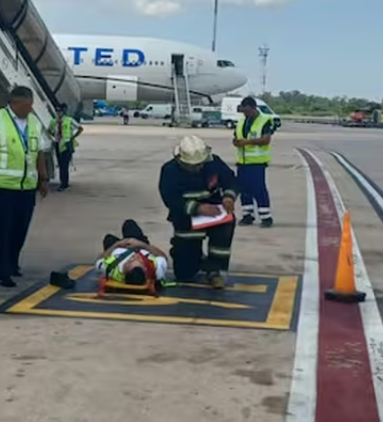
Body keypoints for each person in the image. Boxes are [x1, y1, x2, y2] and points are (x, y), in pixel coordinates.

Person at [0, 86, 51, 288]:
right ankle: (1, 271)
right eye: (27, 105)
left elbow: (39, 152)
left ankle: (12, 262)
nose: (30, 109)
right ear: (15, 103)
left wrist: (43, 179)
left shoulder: (34, 122)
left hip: (26, 188)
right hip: (1, 187)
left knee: (19, 229)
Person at [158, 134, 238, 289]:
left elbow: (231, 180)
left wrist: (229, 197)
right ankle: (191, 256)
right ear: (180, 160)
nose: (198, 168)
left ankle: (216, 270)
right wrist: (198, 208)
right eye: (193, 165)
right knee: (185, 274)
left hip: (214, 215)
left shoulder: (214, 163)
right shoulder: (169, 170)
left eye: (200, 164)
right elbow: (171, 200)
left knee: (226, 225)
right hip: (186, 219)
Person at [232, 95, 276, 227]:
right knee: (244, 190)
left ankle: (266, 217)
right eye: (243, 112)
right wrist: (236, 142)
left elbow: (266, 140)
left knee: (258, 189)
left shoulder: (265, 120)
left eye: (247, 111)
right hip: (242, 162)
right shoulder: (241, 121)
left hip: (257, 163)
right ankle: (247, 215)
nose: (246, 114)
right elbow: (236, 137)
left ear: (254, 108)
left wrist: (247, 142)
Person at [97, 219, 169, 287]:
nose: (135, 257)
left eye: (131, 261)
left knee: (109, 239)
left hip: (118, 249)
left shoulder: (110, 270)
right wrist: (142, 245)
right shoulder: (156, 271)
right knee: (130, 225)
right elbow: (163, 256)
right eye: (140, 261)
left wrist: (117, 244)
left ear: (125, 270)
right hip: (140, 246)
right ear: (145, 270)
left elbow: (100, 258)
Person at [52, 104, 83, 191]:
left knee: (64, 165)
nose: (58, 113)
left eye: (60, 111)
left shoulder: (69, 120)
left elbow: (80, 128)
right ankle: (63, 182)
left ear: (63, 112)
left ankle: (64, 184)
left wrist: (73, 137)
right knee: (61, 165)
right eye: (57, 111)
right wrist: (54, 138)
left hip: (66, 144)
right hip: (58, 144)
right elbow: (49, 130)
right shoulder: (54, 121)